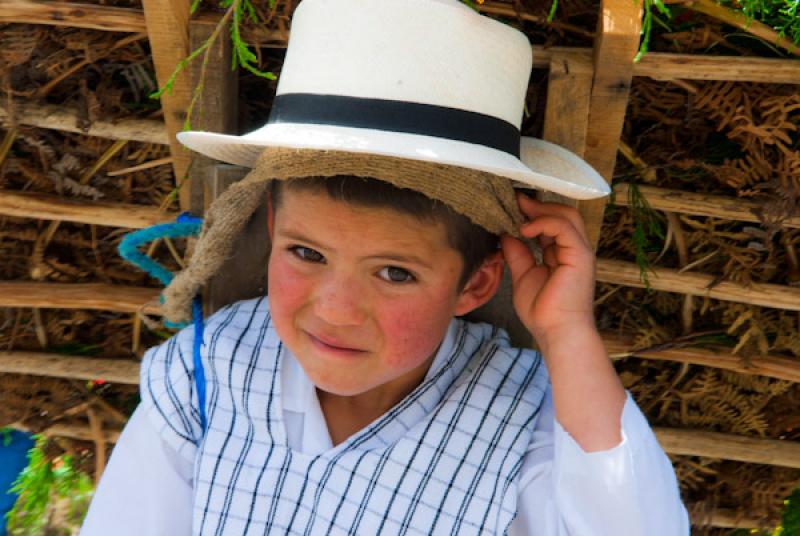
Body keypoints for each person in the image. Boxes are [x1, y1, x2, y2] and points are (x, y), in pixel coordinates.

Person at [81, 0, 690, 534]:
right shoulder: (206, 377)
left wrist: (567, 332)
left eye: (395, 272)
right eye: (307, 253)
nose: (336, 310)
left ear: (475, 282)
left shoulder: (529, 428)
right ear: (272, 229)